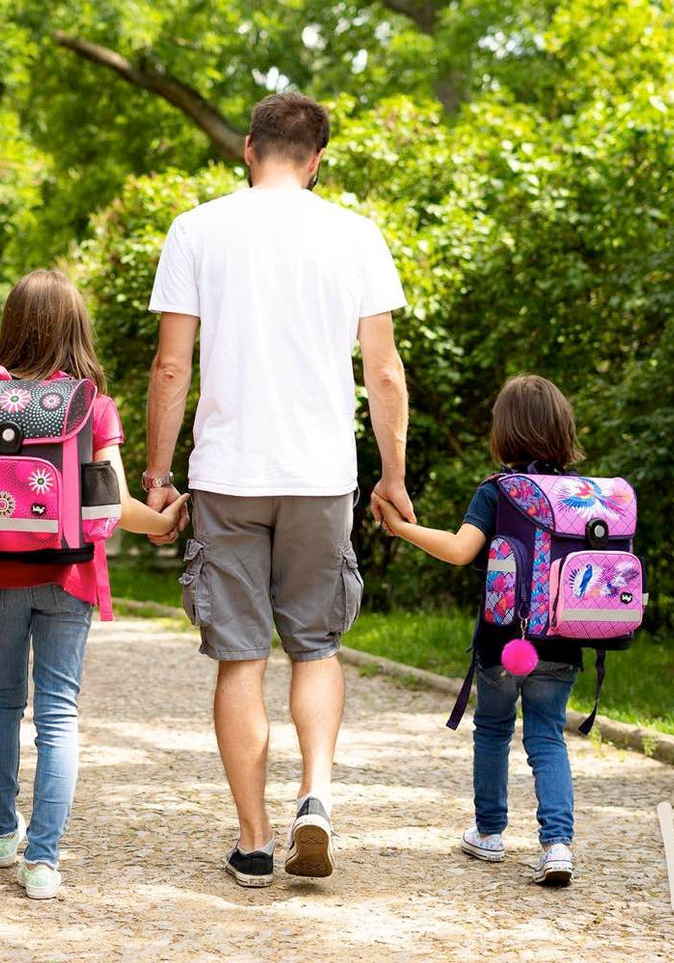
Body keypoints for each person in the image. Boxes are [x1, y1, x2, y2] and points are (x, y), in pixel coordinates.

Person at [143, 92, 411, 886]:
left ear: (248, 149)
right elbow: (384, 370)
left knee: (239, 656)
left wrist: (157, 476)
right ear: (317, 158)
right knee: (316, 646)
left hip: (227, 474)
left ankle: (255, 840)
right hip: (320, 475)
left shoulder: (197, 229)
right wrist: (392, 475)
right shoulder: (355, 235)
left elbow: (170, 366)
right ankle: (315, 795)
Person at [0, 269, 189, 900]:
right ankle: (43, 861)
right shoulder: (90, 405)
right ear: (76, 329)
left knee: (1, 700)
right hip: (69, 573)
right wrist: (164, 522)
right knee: (57, 714)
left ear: (11, 327)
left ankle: (2, 834)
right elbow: (115, 504)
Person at [377, 373, 585, 886]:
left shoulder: (498, 491)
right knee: (547, 736)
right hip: (564, 640)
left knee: (493, 729)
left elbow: (459, 550)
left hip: (503, 643)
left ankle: (489, 834)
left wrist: (401, 528)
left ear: (505, 431)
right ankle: (557, 845)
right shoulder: (582, 495)